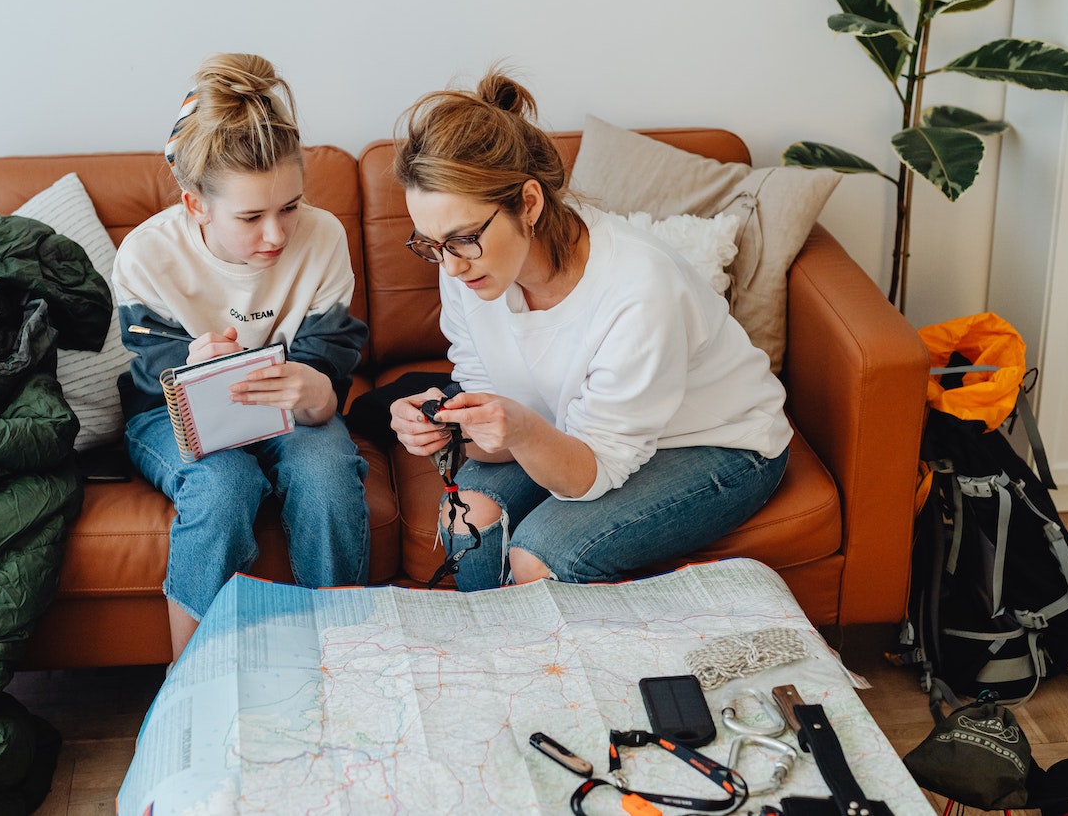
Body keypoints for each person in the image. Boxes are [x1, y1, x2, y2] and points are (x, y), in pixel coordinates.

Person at [388, 69, 792, 592]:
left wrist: (520, 428)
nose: (450, 267)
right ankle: (497, 663)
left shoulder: (637, 289)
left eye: (464, 238)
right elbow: (500, 425)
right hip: (575, 431)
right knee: (467, 520)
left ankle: (553, 670)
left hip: (714, 441)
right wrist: (451, 426)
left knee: (540, 561)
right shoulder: (468, 268)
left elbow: (589, 472)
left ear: (528, 204)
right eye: (431, 244)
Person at [113, 52, 370, 660]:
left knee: (328, 472)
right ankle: (190, 678)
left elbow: (329, 355)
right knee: (223, 485)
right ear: (196, 205)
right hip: (171, 414)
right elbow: (154, 378)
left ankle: (344, 658)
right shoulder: (147, 256)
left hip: (289, 409)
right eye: (251, 216)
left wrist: (319, 392)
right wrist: (189, 370)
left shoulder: (324, 236)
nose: (277, 234)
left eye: (290, 207)